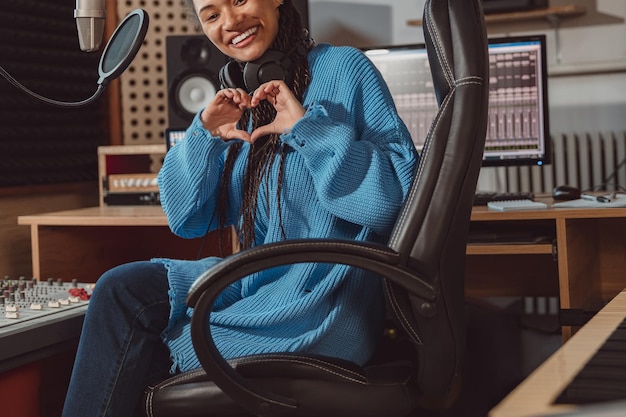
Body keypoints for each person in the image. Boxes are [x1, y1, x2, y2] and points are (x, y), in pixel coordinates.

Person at [61, 0, 419, 415]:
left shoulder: (346, 69)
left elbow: (397, 199)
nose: (230, 22)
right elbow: (186, 218)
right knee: (120, 289)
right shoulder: (245, 99)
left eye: (238, 0)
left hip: (321, 302)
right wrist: (205, 135)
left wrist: (308, 129)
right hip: (258, 280)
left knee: (142, 354)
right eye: (211, 15)